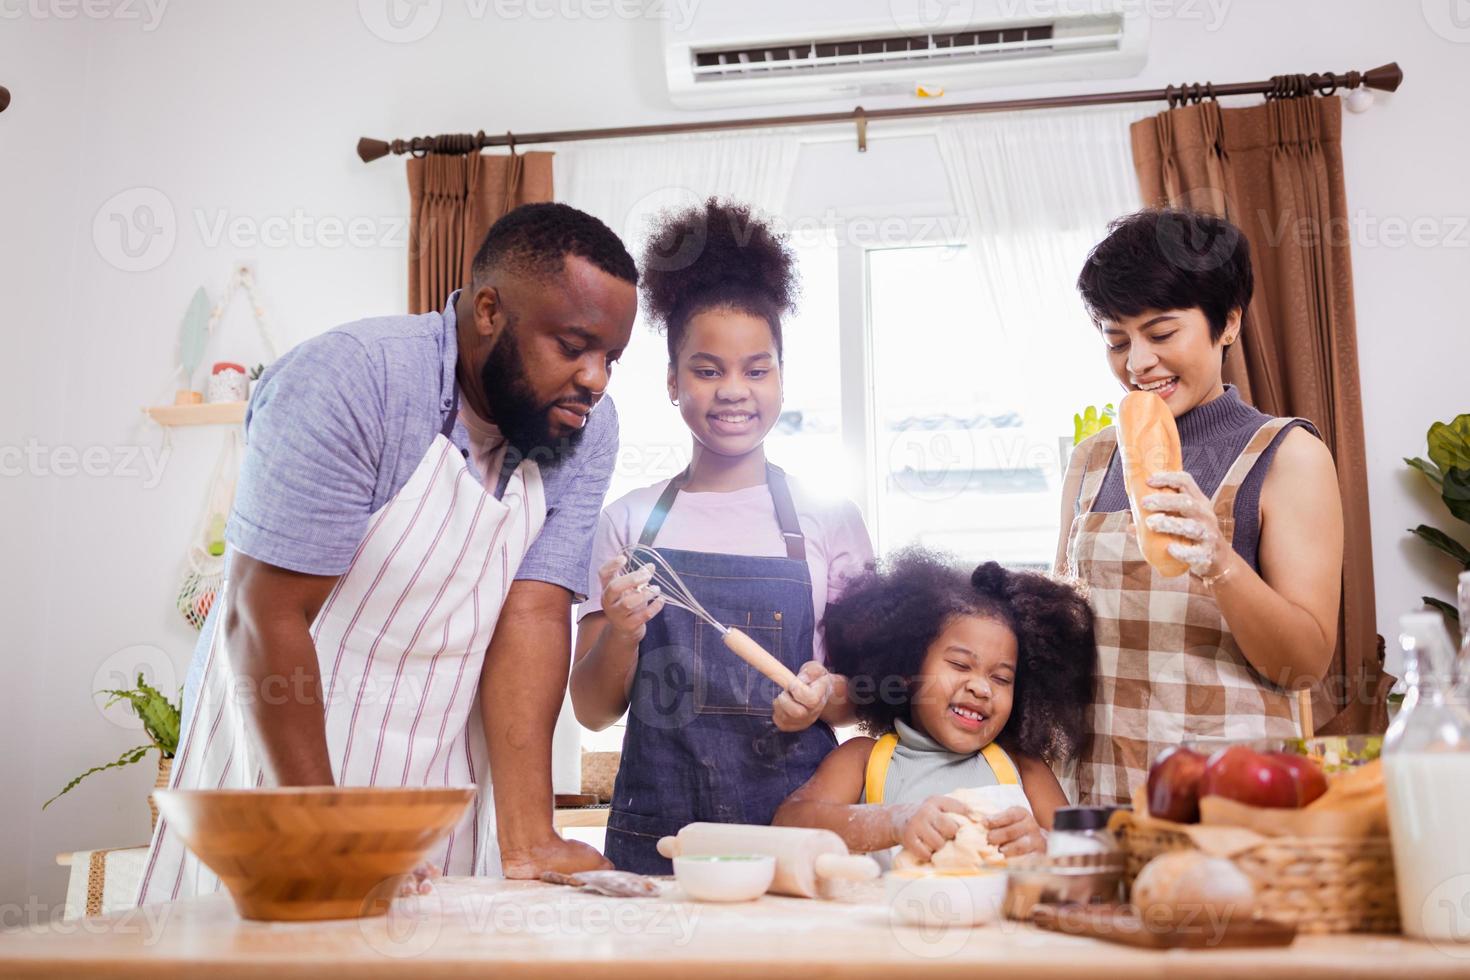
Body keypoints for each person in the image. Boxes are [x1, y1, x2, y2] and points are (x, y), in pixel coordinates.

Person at [139, 203, 639, 905]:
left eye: (611, 357)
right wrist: (326, 834)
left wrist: (528, 838)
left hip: (437, 784)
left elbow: (533, 614)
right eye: (573, 346)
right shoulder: (352, 380)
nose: (596, 379)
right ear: (490, 309)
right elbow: (265, 613)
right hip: (280, 768)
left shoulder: (584, 427)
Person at [569, 199, 874, 874]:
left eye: (756, 369)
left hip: (796, 839)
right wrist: (621, 630)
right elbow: (592, 710)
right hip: (660, 845)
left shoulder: (829, 520)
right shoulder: (627, 521)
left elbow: (871, 693)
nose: (733, 390)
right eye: (708, 370)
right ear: (673, 383)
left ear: (781, 379)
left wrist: (824, 697)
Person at [1059, 208, 1345, 806]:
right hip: (1098, 793)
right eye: (1117, 340)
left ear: (1229, 323)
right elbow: (1069, 637)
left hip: (1231, 799)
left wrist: (1219, 560)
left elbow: (1305, 664)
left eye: (1161, 335)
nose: (1136, 363)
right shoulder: (1090, 460)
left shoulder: (1287, 454)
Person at [772, 553, 1095, 862]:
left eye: (1001, 678)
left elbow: (1087, 863)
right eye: (960, 664)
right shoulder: (863, 759)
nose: (981, 688)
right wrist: (893, 821)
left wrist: (1044, 846)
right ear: (907, 671)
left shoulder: (1021, 765)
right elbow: (788, 825)